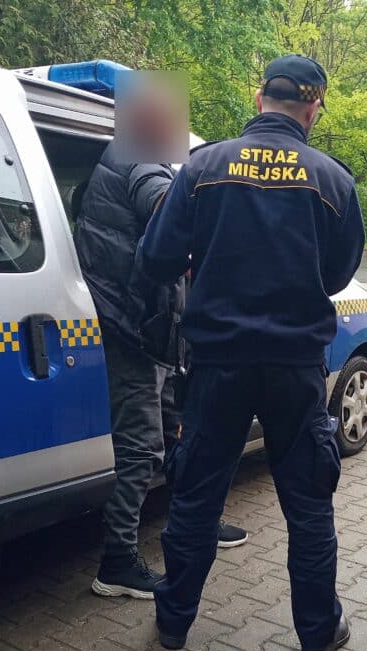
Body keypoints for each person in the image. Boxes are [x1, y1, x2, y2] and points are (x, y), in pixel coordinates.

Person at [138, 54, 365, 651]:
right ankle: (317, 635)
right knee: (308, 505)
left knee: (196, 497)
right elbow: (338, 274)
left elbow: (155, 259)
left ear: (260, 98)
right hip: (294, 366)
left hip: (218, 365)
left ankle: (173, 623)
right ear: (313, 107)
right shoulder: (332, 180)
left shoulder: (202, 167)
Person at [74, 87, 248, 601]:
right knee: (139, 445)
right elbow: (163, 205)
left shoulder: (134, 156)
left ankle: (194, 521)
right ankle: (117, 564)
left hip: (151, 326)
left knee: (178, 431)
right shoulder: (138, 158)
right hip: (130, 327)